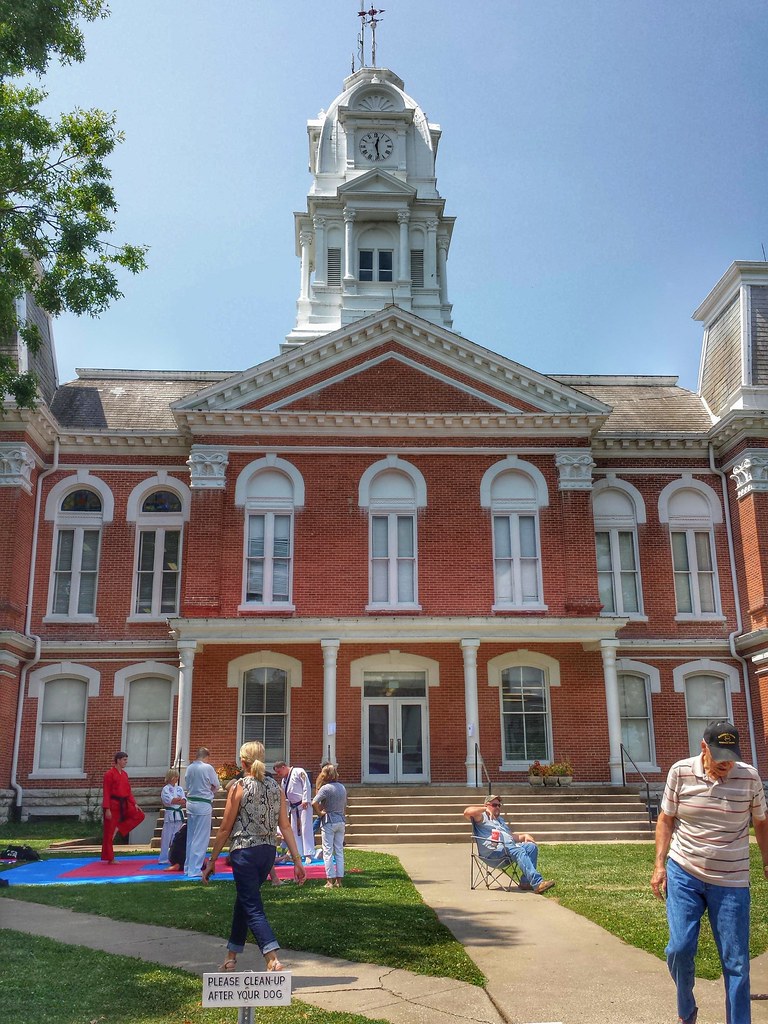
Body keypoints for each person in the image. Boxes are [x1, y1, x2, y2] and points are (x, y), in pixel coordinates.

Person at [652, 720, 768, 1024]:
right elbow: (665, 819)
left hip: (731, 879)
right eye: (719, 755)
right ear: (704, 747)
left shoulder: (749, 777)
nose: (726, 763)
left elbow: (761, 822)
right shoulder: (680, 772)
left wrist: (767, 861)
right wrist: (659, 864)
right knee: (679, 949)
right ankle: (686, 1011)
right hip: (684, 871)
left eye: (731, 755)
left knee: (736, 962)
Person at [202, 741, 306, 972]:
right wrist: (297, 861)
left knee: (252, 905)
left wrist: (211, 861)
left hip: (244, 853)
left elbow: (225, 829)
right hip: (267, 853)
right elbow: (286, 827)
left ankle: (272, 958)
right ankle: (231, 958)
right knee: (244, 901)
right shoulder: (275, 787)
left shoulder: (238, 786)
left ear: (242, 761)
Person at [463, 794, 555, 894]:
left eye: (499, 805)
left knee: (531, 847)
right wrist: (484, 810)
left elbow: (511, 837)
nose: (497, 807)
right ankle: (538, 883)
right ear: (486, 805)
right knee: (516, 850)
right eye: (494, 805)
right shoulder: (481, 818)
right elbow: (466, 812)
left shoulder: (500, 821)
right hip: (493, 854)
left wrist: (524, 836)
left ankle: (526, 882)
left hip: (508, 850)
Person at [101, 751, 145, 864]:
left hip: (125, 803)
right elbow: (106, 792)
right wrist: (107, 809)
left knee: (139, 815)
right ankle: (110, 858)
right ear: (118, 760)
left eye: (126, 759)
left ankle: (120, 828)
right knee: (109, 833)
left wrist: (134, 803)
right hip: (112, 805)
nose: (126, 762)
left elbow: (128, 791)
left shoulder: (125, 774)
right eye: (124, 760)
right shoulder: (109, 774)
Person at [184, 747, 220, 879]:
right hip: (203, 803)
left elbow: (187, 785)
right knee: (201, 838)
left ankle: (188, 867)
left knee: (191, 837)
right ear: (206, 756)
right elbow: (216, 785)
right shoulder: (207, 768)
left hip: (191, 803)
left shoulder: (189, 768)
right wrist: (210, 790)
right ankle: (194, 869)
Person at [312, 763, 347, 889]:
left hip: (329, 821)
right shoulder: (342, 787)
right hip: (341, 820)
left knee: (327, 852)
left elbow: (314, 802)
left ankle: (329, 881)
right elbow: (344, 806)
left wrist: (320, 812)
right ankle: (339, 881)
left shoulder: (326, 788)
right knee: (339, 851)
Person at [273, 760, 314, 863]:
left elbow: (306, 785)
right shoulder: (284, 781)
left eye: (279, 772)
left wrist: (306, 799)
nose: (279, 774)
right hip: (293, 807)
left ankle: (308, 854)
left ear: (283, 767)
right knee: (294, 831)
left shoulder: (298, 771)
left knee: (305, 829)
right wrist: (285, 811)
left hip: (303, 805)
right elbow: (285, 797)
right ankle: (298, 854)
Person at [158, 769, 186, 865]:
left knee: (177, 837)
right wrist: (176, 800)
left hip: (178, 814)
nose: (176, 778)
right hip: (170, 814)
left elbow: (184, 801)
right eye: (175, 776)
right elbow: (169, 800)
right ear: (170, 777)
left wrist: (176, 800)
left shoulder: (180, 789)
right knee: (166, 837)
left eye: (177, 776)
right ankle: (163, 858)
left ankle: (175, 858)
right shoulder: (165, 789)